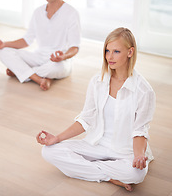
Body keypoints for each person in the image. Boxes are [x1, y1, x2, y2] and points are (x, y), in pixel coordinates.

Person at [36, 28, 156, 191]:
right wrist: (56, 138)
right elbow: (86, 119)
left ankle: (88, 169)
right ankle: (110, 176)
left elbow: (140, 131)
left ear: (130, 52)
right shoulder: (97, 81)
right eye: (107, 50)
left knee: (136, 174)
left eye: (116, 51)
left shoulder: (144, 90)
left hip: (125, 150)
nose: (109, 56)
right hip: (96, 144)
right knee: (48, 151)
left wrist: (140, 155)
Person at [0, 0, 81, 91]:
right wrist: (4, 44)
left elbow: (75, 47)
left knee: (54, 69)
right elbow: (27, 40)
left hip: (60, 62)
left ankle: (23, 72)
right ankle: (40, 79)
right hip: (38, 56)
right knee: (3, 52)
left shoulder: (71, 13)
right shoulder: (38, 12)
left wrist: (63, 56)